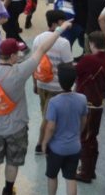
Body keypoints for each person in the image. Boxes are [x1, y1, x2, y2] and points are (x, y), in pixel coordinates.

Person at [0, 26, 69, 195]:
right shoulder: (20, 72)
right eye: (17, 53)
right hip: (16, 127)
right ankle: (7, 191)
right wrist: (60, 30)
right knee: (12, 161)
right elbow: (41, 50)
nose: (20, 56)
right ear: (12, 56)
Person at [36, 63, 88, 195]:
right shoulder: (82, 98)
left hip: (57, 148)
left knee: (52, 175)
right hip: (74, 147)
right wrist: (77, 134)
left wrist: (44, 143)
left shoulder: (54, 102)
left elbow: (50, 127)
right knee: (70, 177)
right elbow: (84, 120)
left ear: (59, 81)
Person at [73, 31, 105, 182]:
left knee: (84, 138)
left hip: (85, 104)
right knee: (92, 137)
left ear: (91, 44)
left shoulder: (87, 60)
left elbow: (75, 73)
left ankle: (85, 172)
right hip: (98, 104)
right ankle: (91, 170)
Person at [31, 10, 75, 153]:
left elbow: (34, 62)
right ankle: (41, 144)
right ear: (56, 23)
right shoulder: (63, 43)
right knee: (49, 117)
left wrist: (34, 83)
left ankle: (45, 139)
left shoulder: (38, 39)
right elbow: (68, 66)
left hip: (41, 83)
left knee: (45, 113)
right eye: (63, 21)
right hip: (57, 86)